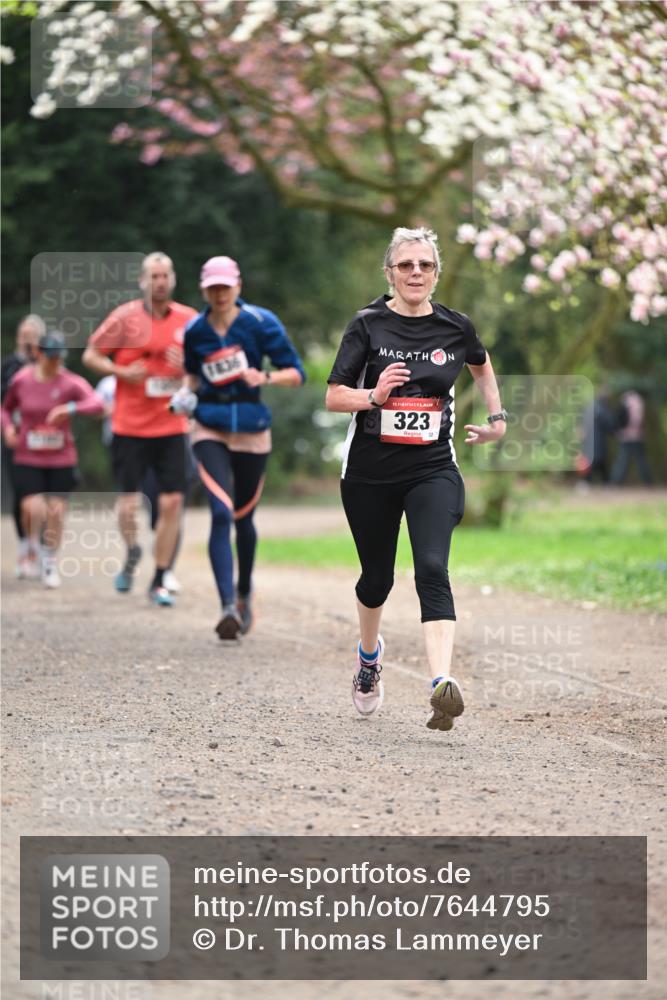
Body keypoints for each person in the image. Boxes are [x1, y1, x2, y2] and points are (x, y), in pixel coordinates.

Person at [326, 226, 507, 732]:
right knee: (377, 578)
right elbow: (335, 395)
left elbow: (482, 368)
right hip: (369, 474)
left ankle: (440, 685)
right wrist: (374, 396)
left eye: (424, 265)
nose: (415, 273)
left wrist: (497, 421)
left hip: (433, 468)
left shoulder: (456, 327)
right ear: (389, 272)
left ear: (436, 274)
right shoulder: (367, 325)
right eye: (405, 265)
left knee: (431, 566)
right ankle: (368, 659)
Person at [172, 255, 305, 639]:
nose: (218, 294)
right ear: (203, 289)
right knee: (220, 511)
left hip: (251, 428)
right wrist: (184, 393)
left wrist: (262, 375)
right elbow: (194, 374)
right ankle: (227, 606)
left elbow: (296, 373)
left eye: (225, 287)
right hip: (209, 426)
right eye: (212, 287)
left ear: (238, 287)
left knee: (243, 518)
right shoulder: (195, 330)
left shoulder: (261, 323)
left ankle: (245, 591)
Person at [82, 252, 198, 606]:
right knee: (129, 505)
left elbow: (206, 368)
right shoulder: (124, 317)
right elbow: (91, 354)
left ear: (173, 279)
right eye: (154, 276)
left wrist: (188, 366)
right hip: (129, 425)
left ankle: (160, 578)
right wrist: (120, 372)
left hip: (171, 424)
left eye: (165, 275)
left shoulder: (190, 320)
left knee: (172, 502)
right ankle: (133, 551)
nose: (160, 282)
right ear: (142, 281)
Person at [1, 331, 105, 587]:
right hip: (28, 454)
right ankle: (31, 545)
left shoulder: (70, 382)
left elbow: (98, 404)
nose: (55, 362)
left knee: (57, 511)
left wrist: (69, 409)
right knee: (32, 507)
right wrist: (7, 428)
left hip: (61, 456)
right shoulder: (22, 380)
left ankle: (49, 561)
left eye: (59, 358)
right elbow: (5, 408)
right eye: (50, 357)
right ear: (38, 354)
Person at [95, 373, 196, 594]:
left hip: (166, 443)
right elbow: (96, 408)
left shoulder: (176, 371)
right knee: (126, 507)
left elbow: (190, 402)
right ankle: (133, 550)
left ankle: (164, 572)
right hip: (128, 444)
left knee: (169, 508)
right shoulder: (109, 383)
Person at [1, 314, 45, 574]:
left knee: (44, 495)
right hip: (15, 438)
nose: (28, 342)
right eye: (24, 336)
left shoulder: (48, 364)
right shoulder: (7, 367)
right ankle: (24, 545)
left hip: (45, 440)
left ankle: (40, 546)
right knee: (22, 494)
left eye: (33, 337)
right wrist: (6, 428)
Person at [611, 389, 653, 485]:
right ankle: (648, 482)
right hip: (638, 437)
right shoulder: (640, 402)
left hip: (626, 437)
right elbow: (641, 421)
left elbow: (618, 418)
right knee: (641, 461)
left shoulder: (625, 402)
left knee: (622, 461)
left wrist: (618, 431)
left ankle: (614, 483)